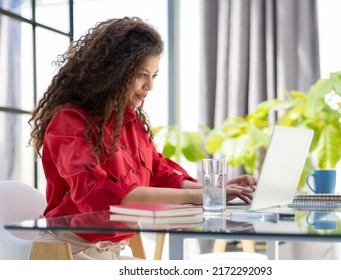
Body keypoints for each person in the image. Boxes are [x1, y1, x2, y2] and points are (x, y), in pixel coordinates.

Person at [28, 16, 257, 260]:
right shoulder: (69, 121)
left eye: (154, 76)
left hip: (111, 252)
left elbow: (161, 173)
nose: (150, 86)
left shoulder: (129, 121)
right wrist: (198, 195)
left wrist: (215, 190)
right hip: (67, 251)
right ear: (113, 71)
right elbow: (100, 197)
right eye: (141, 74)